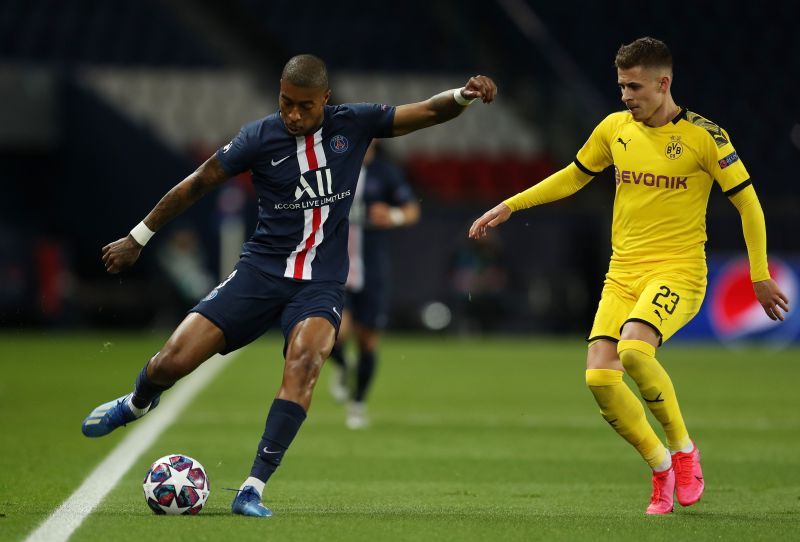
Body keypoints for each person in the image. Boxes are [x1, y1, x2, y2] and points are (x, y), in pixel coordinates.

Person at [81, 54, 497, 518]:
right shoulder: (259, 137)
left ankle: (252, 488)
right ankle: (138, 402)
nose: (293, 115)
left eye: (304, 106)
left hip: (319, 283)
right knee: (171, 361)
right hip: (260, 273)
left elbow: (429, 111)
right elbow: (199, 182)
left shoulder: (354, 124)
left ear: (326, 100)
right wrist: (138, 237)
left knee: (306, 362)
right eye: (286, 103)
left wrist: (463, 96)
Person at [469, 37, 789, 515]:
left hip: (679, 271)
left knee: (635, 350)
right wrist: (510, 205)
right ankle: (659, 466)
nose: (625, 96)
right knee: (600, 377)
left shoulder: (707, 137)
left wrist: (759, 274)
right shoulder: (614, 129)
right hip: (623, 273)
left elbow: (748, 203)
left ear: (664, 83)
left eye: (634, 86)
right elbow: (574, 175)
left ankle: (683, 451)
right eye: (621, 86)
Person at [326, 140, 420, 429]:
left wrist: (393, 216)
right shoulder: (333, 168)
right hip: (335, 269)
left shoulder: (385, 173)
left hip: (372, 269)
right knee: (330, 334)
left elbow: (412, 210)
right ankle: (343, 366)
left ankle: (358, 402)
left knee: (367, 340)